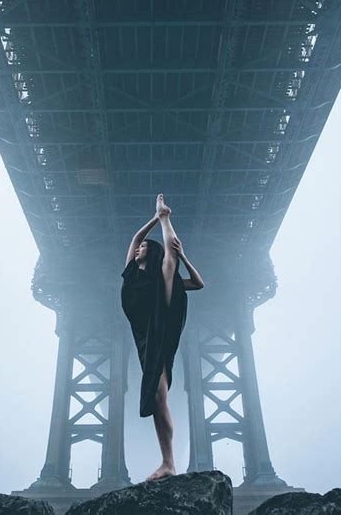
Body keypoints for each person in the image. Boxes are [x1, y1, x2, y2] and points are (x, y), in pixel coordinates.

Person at [121, 193, 205, 481]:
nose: (137, 249)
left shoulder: (159, 275)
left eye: (144, 247)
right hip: (143, 337)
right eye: (137, 247)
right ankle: (167, 462)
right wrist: (152, 220)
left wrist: (164, 220)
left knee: (169, 269)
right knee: (158, 400)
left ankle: (168, 463)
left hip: (159, 322)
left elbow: (196, 282)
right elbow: (134, 238)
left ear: (151, 252)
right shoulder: (131, 273)